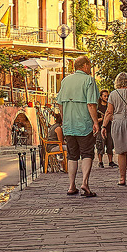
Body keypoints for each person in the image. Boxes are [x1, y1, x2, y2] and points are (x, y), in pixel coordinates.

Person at [56, 55, 101, 198]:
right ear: (85, 66)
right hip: (84, 124)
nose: (90, 68)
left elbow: (60, 104)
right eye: (90, 65)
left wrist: (64, 121)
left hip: (69, 125)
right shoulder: (89, 80)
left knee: (72, 155)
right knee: (87, 153)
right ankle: (85, 183)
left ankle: (71, 186)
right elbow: (91, 104)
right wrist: (95, 122)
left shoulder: (65, 81)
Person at [96, 90, 117, 168]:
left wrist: (110, 118)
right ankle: (100, 162)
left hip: (110, 129)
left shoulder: (110, 106)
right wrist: (102, 119)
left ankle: (110, 161)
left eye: (107, 96)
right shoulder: (98, 108)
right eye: (104, 96)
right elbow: (95, 120)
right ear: (101, 97)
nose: (106, 97)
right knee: (100, 145)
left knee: (110, 145)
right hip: (101, 129)